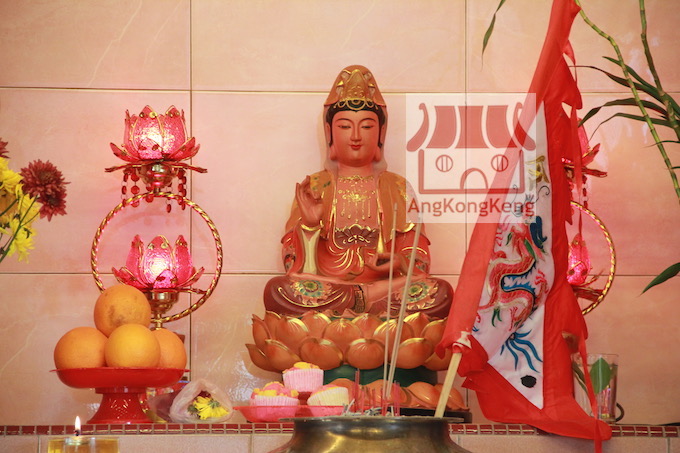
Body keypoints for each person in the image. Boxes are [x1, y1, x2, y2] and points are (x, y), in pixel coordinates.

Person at [264, 65, 452, 319]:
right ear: (329, 133)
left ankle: (358, 306)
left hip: (385, 289)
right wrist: (309, 227)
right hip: (331, 289)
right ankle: (360, 303)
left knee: (440, 292)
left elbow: (419, 261)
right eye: (344, 126)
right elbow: (295, 267)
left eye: (366, 127)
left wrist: (400, 263)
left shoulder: (399, 188)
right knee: (278, 290)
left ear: (381, 133)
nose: (355, 136)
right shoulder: (315, 186)